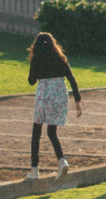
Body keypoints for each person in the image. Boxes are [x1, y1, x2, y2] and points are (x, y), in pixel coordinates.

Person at [26, 32, 82, 180]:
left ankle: (34, 170)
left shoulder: (37, 59)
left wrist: (35, 65)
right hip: (59, 95)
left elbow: (31, 81)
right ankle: (62, 160)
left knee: (36, 132)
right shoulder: (61, 59)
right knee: (52, 131)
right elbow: (72, 80)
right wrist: (77, 101)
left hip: (44, 95)